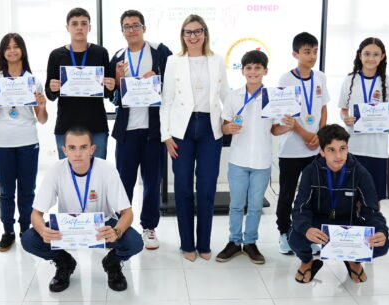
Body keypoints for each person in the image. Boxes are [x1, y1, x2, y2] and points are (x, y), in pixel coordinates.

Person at [21, 126, 143, 292]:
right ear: (64, 150)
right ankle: (64, 262)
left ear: (92, 149)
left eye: (83, 147)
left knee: (135, 243)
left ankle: (112, 263)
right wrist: (43, 230)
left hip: (103, 225)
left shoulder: (107, 169)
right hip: (67, 227)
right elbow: (36, 214)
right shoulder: (55, 170)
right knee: (29, 239)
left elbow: (127, 213)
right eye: (72, 148)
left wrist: (117, 231)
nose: (77, 154)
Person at [160, 14, 230, 262]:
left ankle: (204, 243)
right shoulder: (173, 61)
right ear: (182, 35)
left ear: (205, 33)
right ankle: (187, 244)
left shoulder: (217, 60)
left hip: (210, 129)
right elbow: (166, 100)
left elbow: (226, 95)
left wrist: (231, 121)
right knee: (182, 187)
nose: (193, 36)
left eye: (197, 31)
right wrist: (166, 135)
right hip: (182, 131)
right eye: (188, 32)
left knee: (208, 187)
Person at [288, 125, 389, 284]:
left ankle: (353, 261)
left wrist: (380, 230)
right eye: (331, 150)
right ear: (321, 151)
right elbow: (300, 207)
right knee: (295, 238)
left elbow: (371, 210)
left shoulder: (360, 172)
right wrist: (306, 228)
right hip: (319, 222)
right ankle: (307, 261)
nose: (338, 155)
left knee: (382, 245)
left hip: (349, 222)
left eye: (342, 148)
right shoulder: (310, 171)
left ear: (348, 147)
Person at [108, 9, 173, 250]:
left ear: (144, 28)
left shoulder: (160, 51)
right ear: (122, 31)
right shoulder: (117, 56)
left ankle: (149, 227)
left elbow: (173, 82)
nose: (132, 30)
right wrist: (115, 78)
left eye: (136, 25)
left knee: (152, 181)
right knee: (123, 182)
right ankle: (121, 227)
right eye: (127, 26)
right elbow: (110, 93)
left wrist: (158, 77)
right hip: (127, 130)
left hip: (153, 130)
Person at [0, 32, 48, 252]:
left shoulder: (32, 80)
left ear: (22, 50)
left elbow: (42, 119)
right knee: (5, 190)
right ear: (2, 52)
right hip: (2, 142)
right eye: (7, 47)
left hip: (28, 141)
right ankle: (8, 231)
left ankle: (26, 229)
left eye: (16, 46)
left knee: (28, 190)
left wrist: (42, 105)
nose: (12, 50)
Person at [272, 32, 330, 255]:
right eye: (307, 52)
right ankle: (284, 233)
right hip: (291, 149)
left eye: (315, 51)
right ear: (295, 54)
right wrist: (306, 134)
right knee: (287, 194)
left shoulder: (321, 78)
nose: (312, 56)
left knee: (311, 195)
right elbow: (287, 115)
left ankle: (308, 233)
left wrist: (320, 136)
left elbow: (323, 108)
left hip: (315, 148)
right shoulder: (285, 79)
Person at [215, 50, 272, 265]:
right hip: (238, 161)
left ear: (265, 71)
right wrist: (228, 128)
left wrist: (287, 126)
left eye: (258, 68)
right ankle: (234, 241)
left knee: (256, 205)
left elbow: (274, 129)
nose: (253, 71)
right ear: (243, 71)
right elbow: (224, 126)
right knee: (237, 204)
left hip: (261, 162)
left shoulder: (272, 97)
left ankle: (250, 243)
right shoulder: (233, 96)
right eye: (248, 67)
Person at [45, 7, 116, 159]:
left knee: (97, 173)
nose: (79, 27)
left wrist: (111, 86)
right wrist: (53, 88)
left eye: (84, 24)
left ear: (89, 27)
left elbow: (107, 92)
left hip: (96, 126)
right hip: (66, 126)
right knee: (68, 176)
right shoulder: (57, 55)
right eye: (74, 24)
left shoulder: (100, 53)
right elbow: (49, 94)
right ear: (67, 27)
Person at [338, 37, 389, 202]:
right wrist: (346, 119)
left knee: (374, 196)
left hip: (377, 149)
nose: (371, 58)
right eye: (367, 54)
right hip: (354, 147)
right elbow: (343, 109)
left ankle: (373, 226)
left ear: (382, 57)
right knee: (351, 195)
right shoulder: (350, 80)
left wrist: (387, 120)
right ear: (359, 55)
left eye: (376, 54)